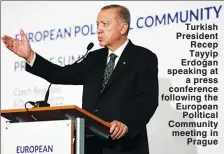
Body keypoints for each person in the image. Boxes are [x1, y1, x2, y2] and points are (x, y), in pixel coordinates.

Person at [2, 4, 158, 154]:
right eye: (97, 25)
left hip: (124, 147)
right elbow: (60, 74)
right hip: (91, 146)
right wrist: (30, 56)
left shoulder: (143, 58)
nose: (99, 30)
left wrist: (126, 124)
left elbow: (148, 101)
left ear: (123, 28)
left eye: (105, 24)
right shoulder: (94, 58)